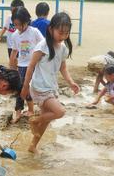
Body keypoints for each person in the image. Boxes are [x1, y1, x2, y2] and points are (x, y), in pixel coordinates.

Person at [20, 12, 80, 153]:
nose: (63, 36)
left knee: (46, 120)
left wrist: (71, 82)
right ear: (50, 29)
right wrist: (24, 88)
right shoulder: (42, 46)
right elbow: (30, 66)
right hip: (40, 87)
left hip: (51, 86)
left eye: (66, 33)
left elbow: (63, 68)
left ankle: (33, 146)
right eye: (60, 33)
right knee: (60, 111)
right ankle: (34, 120)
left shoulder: (63, 48)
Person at [9, 6, 44, 123]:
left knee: (27, 88)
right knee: (22, 88)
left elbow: (43, 46)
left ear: (26, 21)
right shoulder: (15, 35)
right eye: (15, 25)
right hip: (22, 66)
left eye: (20, 24)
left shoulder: (34, 32)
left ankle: (27, 110)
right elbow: (14, 52)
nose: (18, 27)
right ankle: (24, 110)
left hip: (34, 65)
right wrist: (11, 68)